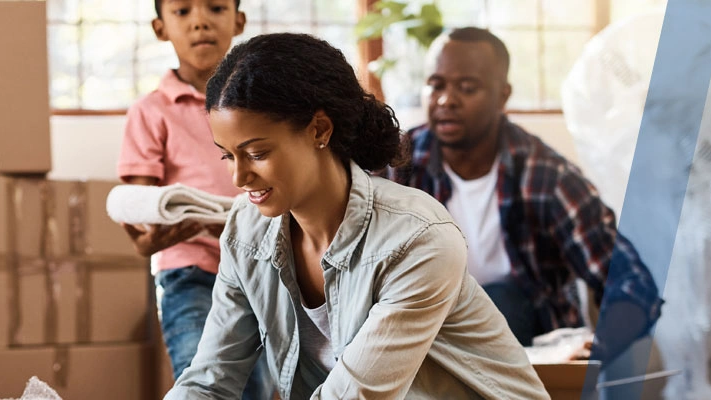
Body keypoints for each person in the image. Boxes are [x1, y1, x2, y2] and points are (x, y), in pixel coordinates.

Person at [166, 32, 550, 400]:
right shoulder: (246, 231)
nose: (238, 177)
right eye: (227, 155)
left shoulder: (416, 239)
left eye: (258, 153)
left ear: (319, 129)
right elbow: (209, 381)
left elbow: (354, 396)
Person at [389, 27, 663, 362]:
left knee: (499, 300)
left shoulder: (548, 176)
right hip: (425, 345)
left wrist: (601, 346)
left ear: (502, 96)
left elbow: (633, 285)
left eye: (467, 87)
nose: (446, 100)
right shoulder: (398, 167)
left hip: (530, 352)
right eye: (436, 85)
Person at [116, 0, 271, 397]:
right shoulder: (151, 111)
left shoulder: (264, 105)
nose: (200, 21)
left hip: (264, 267)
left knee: (261, 385)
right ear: (159, 27)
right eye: (183, 11)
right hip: (191, 272)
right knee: (205, 378)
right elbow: (139, 205)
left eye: (215, 8)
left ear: (238, 21)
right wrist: (152, 232)